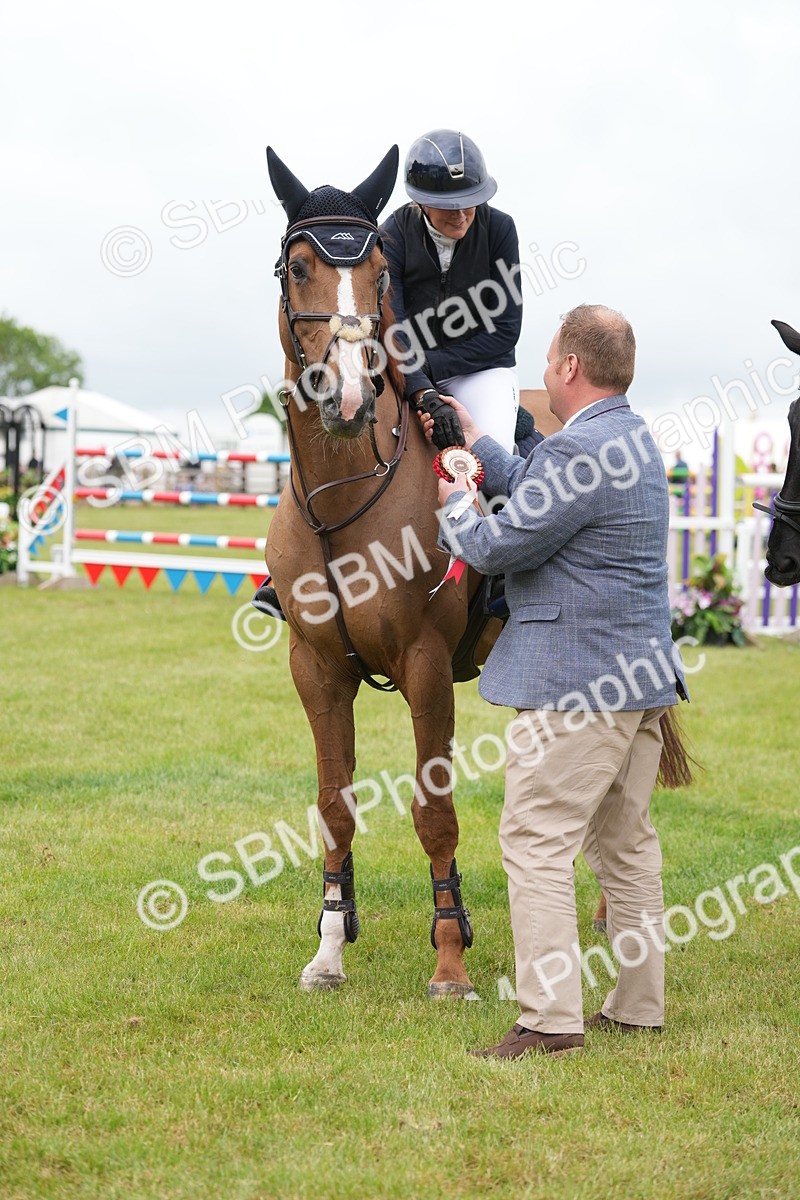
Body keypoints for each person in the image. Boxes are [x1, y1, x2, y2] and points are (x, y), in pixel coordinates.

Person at [429, 304, 688, 1059]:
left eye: (548, 360)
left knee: (535, 840)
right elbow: (540, 488)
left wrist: (455, 501)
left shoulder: (578, 451)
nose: (543, 371)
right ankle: (638, 1007)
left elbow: (497, 546)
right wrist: (479, 443)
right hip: (639, 683)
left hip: (579, 689)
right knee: (626, 848)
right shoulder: (628, 437)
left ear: (570, 366)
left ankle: (548, 1021)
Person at [380, 129, 531, 455]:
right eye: (449, 206)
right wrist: (422, 387)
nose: (462, 215)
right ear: (421, 202)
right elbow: (395, 329)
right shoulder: (393, 236)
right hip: (410, 370)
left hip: (482, 371)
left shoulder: (500, 229)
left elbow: (506, 330)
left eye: (470, 202)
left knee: (495, 450)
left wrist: (434, 363)